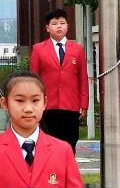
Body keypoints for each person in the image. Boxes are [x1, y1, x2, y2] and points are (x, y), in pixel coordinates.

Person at [28, 9, 89, 153]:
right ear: (48, 28)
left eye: (62, 23)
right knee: (47, 145)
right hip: (47, 106)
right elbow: (33, 80)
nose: (59, 26)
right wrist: (34, 102)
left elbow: (82, 78)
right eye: (54, 24)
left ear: (68, 26)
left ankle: (67, 174)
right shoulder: (38, 49)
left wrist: (84, 103)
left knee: (69, 144)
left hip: (70, 106)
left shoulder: (78, 50)